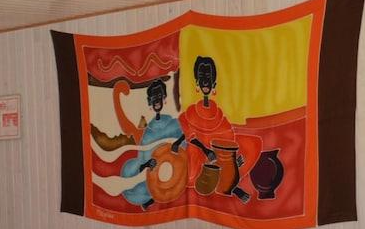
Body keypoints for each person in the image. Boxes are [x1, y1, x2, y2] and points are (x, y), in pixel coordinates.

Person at [175, 55, 259, 202]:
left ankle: (230, 183)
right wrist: (206, 150)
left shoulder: (219, 115)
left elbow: (228, 136)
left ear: (214, 83)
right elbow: (189, 136)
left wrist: (232, 157)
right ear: (197, 81)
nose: (205, 81)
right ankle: (231, 186)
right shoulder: (190, 112)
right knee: (191, 166)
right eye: (202, 77)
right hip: (199, 153)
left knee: (251, 144)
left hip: (218, 154)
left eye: (208, 77)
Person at [110, 75, 187, 206]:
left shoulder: (173, 123)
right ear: (149, 102)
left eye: (159, 96)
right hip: (152, 175)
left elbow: (185, 136)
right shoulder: (148, 132)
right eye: (153, 98)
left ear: (164, 98)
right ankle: (152, 196)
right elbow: (142, 160)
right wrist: (146, 164)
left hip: (172, 170)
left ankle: (155, 196)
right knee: (132, 186)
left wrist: (177, 143)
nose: (156, 101)